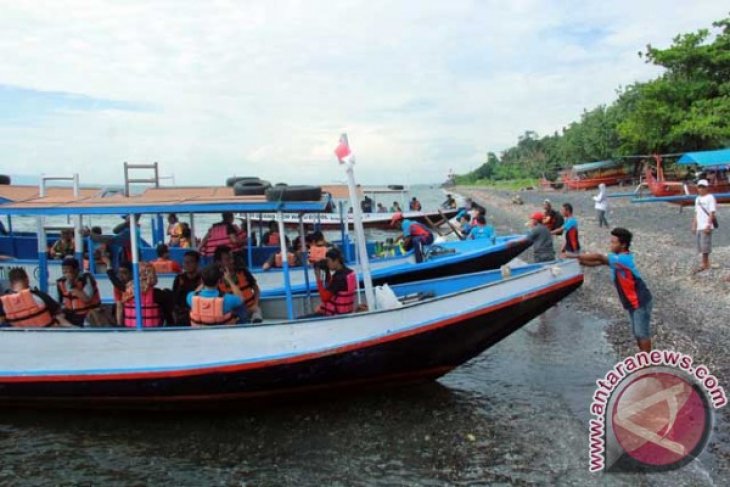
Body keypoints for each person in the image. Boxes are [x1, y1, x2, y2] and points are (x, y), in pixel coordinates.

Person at [567, 228, 653, 352]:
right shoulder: (616, 258)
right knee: (637, 332)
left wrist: (573, 255)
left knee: (641, 332)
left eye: (613, 242)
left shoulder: (624, 259)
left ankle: (648, 363)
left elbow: (599, 257)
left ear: (623, 245)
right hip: (633, 302)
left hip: (641, 301)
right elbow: (598, 262)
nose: (610, 245)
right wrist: (579, 262)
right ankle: (644, 358)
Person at [0, 267, 71, 327]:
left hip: (21, 339)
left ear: (10, 284)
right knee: (59, 317)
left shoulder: (3, 303)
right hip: (48, 336)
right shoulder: (39, 296)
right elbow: (58, 310)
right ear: (27, 280)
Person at [214, 245, 262, 323]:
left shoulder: (243, 271)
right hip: (231, 314)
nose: (232, 261)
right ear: (219, 262)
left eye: (232, 258)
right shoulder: (216, 278)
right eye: (227, 259)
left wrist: (255, 304)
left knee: (257, 311)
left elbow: (256, 289)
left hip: (251, 309)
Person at [120, 262, 173, 327]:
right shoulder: (157, 293)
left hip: (130, 328)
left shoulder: (127, 289)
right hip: (152, 329)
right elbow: (169, 308)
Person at [56, 257, 101, 326]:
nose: (66, 274)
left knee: (89, 320)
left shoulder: (85, 279)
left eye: (69, 271)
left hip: (87, 313)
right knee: (58, 318)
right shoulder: (61, 283)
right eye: (64, 271)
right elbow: (60, 301)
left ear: (76, 270)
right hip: (71, 314)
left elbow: (87, 299)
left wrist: (72, 286)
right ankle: (73, 328)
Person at [313, 248, 357, 316]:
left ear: (336, 260)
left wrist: (319, 279)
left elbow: (324, 298)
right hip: (346, 311)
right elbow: (333, 288)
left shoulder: (338, 277)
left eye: (328, 261)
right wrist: (327, 273)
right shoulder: (350, 273)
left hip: (335, 314)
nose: (327, 264)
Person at [692, 179, 717, 273]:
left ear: (707, 188)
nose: (701, 189)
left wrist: (708, 225)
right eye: (699, 187)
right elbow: (696, 213)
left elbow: (712, 212)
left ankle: (705, 264)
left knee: (705, 245)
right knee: (701, 245)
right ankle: (705, 263)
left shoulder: (710, 197)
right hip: (699, 225)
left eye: (703, 187)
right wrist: (694, 224)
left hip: (706, 225)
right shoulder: (697, 199)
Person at [172, 250, 202, 326]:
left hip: (199, 314)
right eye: (185, 262)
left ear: (197, 264)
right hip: (182, 316)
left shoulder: (202, 279)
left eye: (190, 262)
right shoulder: (179, 279)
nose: (186, 264)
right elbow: (174, 299)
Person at [102, 255, 132, 325]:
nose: (121, 275)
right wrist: (119, 325)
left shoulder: (136, 284)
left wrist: (109, 266)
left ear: (131, 274)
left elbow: (122, 287)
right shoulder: (117, 287)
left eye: (124, 273)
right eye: (120, 272)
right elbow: (119, 306)